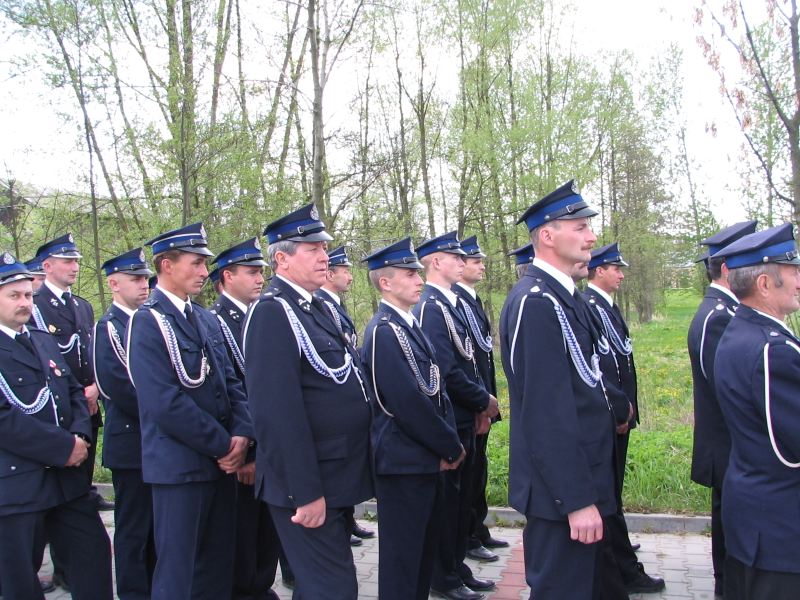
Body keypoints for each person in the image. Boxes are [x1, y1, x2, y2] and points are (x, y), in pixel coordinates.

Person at [243, 204, 373, 600]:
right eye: (312, 249)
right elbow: (276, 414)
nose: (324, 257)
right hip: (307, 484)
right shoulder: (273, 312)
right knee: (334, 588)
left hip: (333, 475)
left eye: (324, 248)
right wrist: (305, 492)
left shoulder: (315, 307)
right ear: (281, 259)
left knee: (322, 586)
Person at [499, 180, 618, 599]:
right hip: (561, 496)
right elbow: (545, 413)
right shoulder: (536, 302)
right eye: (580, 227)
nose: (592, 236)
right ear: (547, 236)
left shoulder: (565, 296)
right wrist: (576, 499)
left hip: (583, 480)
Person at [127, 223, 253, 600]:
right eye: (196, 263)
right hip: (180, 467)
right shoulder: (147, 321)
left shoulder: (204, 318)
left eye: (204, 264)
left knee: (217, 565)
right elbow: (164, 402)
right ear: (166, 265)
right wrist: (224, 446)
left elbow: (231, 382)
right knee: (180, 571)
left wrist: (243, 433)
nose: (203, 272)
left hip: (221, 465)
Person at [0, 251, 113, 600]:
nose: (24, 302)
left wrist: (79, 435)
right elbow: (5, 419)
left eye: (28, 295)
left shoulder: (41, 338)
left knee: (93, 555)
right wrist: (63, 447)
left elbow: (73, 391)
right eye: (14, 296)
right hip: (19, 485)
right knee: (19, 581)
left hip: (66, 482)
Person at [361, 237, 465, 600]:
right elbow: (405, 403)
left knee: (421, 555)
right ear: (385, 282)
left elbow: (434, 389)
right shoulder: (383, 331)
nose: (419, 280)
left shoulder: (407, 324)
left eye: (418, 273)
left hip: (422, 459)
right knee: (403, 561)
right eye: (409, 274)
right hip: (403, 463)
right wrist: (448, 444)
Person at [712, 223, 800, 600]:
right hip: (780, 527)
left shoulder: (740, 331)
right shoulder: (773, 349)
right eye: (793, 272)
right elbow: (791, 445)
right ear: (765, 283)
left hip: (755, 518)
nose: (799, 281)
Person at [413, 231, 499, 600]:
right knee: (448, 505)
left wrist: (481, 405)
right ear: (436, 262)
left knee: (461, 503)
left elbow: (472, 360)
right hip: (452, 417)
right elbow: (445, 370)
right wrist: (482, 400)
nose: (463, 263)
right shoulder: (431, 307)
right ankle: (443, 577)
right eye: (455, 257)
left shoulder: (451, 304)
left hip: (467, 414)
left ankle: (456, 568)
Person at [583, 243, 664, 594]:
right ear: (599, 270)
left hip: (620, 413)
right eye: (616, 269)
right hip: (609, 414)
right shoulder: (590, 306)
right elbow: (599, 367)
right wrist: (617, 408)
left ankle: (619, 550)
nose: (621, 274)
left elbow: (621, 359)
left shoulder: (607, 307)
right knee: (608, 498)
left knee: (613, 494)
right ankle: (623, 568)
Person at [688, 220, 758, 597]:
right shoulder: (719, 317)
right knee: (730, 537)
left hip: (729, 447)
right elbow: (729, 391)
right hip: (728, 446)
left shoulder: (723, 311)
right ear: (729, 269)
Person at [209, 238, 281, 600]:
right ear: (227, 276)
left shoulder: (259, 314)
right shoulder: (216, 322)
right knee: (243, 529)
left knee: (267, 528)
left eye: (260, 272)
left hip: (269, 443)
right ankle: (244, 590)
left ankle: (261, 586)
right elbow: (231, 390)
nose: (259, 279)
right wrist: (249, 452)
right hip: (245, 446)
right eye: (251, 272)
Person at [31, 234, 112, 511]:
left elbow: (90, 353)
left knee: (82, 480)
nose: (75, 267)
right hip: (61, 406)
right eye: (67, 261)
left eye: (76, 261)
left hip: (88, 404)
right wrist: (76, 394)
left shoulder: (82, 306)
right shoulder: (35, 305)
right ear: (47, 266)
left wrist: (95, 387)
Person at [94, 248, 156, 600]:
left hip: (155, 440)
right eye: (135, 279)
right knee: (134, 527)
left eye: (145, 278)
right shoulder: (109, 327)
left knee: (156, 525)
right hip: (132, 443)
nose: (144, 285)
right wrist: (164, 412)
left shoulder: (149, 321)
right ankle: (134, 592)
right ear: (114, 284)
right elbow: (117, 386)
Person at [314, 245, 375, 546]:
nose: (350, 277)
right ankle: (346, 522)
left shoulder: (334, 304)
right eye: (345, 271)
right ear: (330, 274)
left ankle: (349, 521)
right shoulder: (322, 305)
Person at [454, 236, 508, 563]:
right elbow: (464, 362)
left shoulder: (471, 300)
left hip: (482, 399)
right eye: (476, 262)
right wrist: (479, 404)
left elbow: (483, 355)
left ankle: (478, 528)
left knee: (480, 469)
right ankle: (469, 536)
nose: (482, 266)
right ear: (460, 267)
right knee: (470, 473)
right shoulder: (455, 302)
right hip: (471, 405)